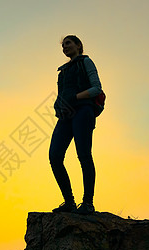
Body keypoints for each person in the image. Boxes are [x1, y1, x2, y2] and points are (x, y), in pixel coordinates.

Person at [50, 35, 103, 215]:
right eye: (63, 45)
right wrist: (58, 105)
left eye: (68, 43)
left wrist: (75, 98)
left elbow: (97, 88)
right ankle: (69, 202)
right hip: (66, 116)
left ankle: (87, 203)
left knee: (84, 155)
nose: (65, 47)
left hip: (83, 111)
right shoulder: (62, 72)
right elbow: (61, 95)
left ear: (78, 45)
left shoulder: (86, 62)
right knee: (54, 156)